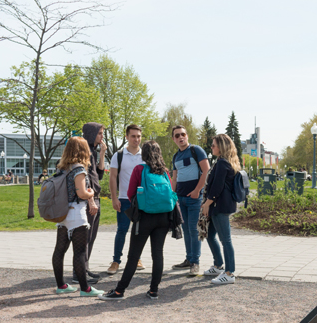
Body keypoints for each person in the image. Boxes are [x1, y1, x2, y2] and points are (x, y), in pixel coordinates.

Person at [99, 141, 174, 301]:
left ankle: (119, 291)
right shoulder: (164, 172)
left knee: (133, 256)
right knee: (158, 254)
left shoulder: (139, 169)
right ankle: (154, 291)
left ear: (144, 154)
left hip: (144, 218)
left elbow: (130, 193)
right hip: (164, 218)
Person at [51, 137, 104, 298]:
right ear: (82, 150)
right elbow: (81, 192)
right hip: (76, 213)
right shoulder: (79, 169)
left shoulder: (63, 168)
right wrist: (92, 193)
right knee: (80, 252)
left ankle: (61, 285)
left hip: (63, 214)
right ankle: (85, 289)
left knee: (60, 250)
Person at [170, 125, 209, 276]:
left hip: (194, 199)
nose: (181, 137)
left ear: (187, 136)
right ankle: (188, 259)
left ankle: (195, 262)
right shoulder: (175, 156)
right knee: (186, 231)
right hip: (181, 199)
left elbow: (206, 170)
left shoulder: (196, 150)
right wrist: (173, 197)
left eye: (183, 134)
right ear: (174, 139)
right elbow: (174, 177)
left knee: (193, 230)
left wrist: (197, 191)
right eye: (177, 135)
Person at [107, 124, 145, 275]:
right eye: (133, 136)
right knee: (122, 230)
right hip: (123, 199)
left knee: (139, 231)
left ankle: (137, 259)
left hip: (141, 200)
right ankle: (116, 261)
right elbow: (113, 176)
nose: (136, 139)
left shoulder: (145, 155)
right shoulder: (119, 155)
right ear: (127, 137)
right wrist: (114, 198)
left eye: (139, 136)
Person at [201, 134, 239, 285]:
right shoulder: (222, 162)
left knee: (225, 239)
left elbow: (217, 187)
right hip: (218, 205)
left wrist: (206, 204)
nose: (211, 148)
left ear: (221, 147)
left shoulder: (223, 163)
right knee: (210, 235)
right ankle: (218, 265)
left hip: (219, 206)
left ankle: (229, 272)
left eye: (213, 145)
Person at [74, 122, 106, 285]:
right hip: (89, 200)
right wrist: (91, 200)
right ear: (92, 134)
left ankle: (84, 268)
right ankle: (78, 272)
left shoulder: (93, 151)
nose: (102, 136)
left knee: (91, 237)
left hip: (95, 198)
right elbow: (85, 178)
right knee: (84, 237)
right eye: (100, 133)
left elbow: (98, 175)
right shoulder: (84, 151)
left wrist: (102, 154)